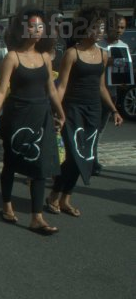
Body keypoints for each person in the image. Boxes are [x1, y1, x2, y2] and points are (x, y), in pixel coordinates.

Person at [0, 6, 65, 235]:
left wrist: (60, 112)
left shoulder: (45, 57)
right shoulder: (12, 57)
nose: (36, 30)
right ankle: (6, 204)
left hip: (41, 115)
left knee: (41, 166)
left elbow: (51, 90)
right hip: (17, 116)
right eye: (32, 25)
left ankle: (37, 217)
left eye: (40, 26)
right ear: (23, 29)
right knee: (12, 163)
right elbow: (2, 91)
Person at [47, 6, 123, 218]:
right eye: (95, 27)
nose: (100, 31)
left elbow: (101, 87)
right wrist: (57, 112)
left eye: (101, 27)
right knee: (73, 156)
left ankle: (65, 198)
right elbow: (61, 86)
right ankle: (53, 195)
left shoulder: (103, 54)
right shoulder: (72, 53)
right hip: (73, 110)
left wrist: (114, 110)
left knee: (86, 157)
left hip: (93, 110)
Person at [95, 14, 128, 176]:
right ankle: (88, 157)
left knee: (100, 128)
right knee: (91, 126)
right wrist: (107, 61)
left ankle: (94, 158)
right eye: (117, 27)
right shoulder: (98, 45)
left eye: (122, 27)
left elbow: (122, 71)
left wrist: (125, 76)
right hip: (95, 91)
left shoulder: (124, 46)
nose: (119, 30)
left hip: (112, 92)